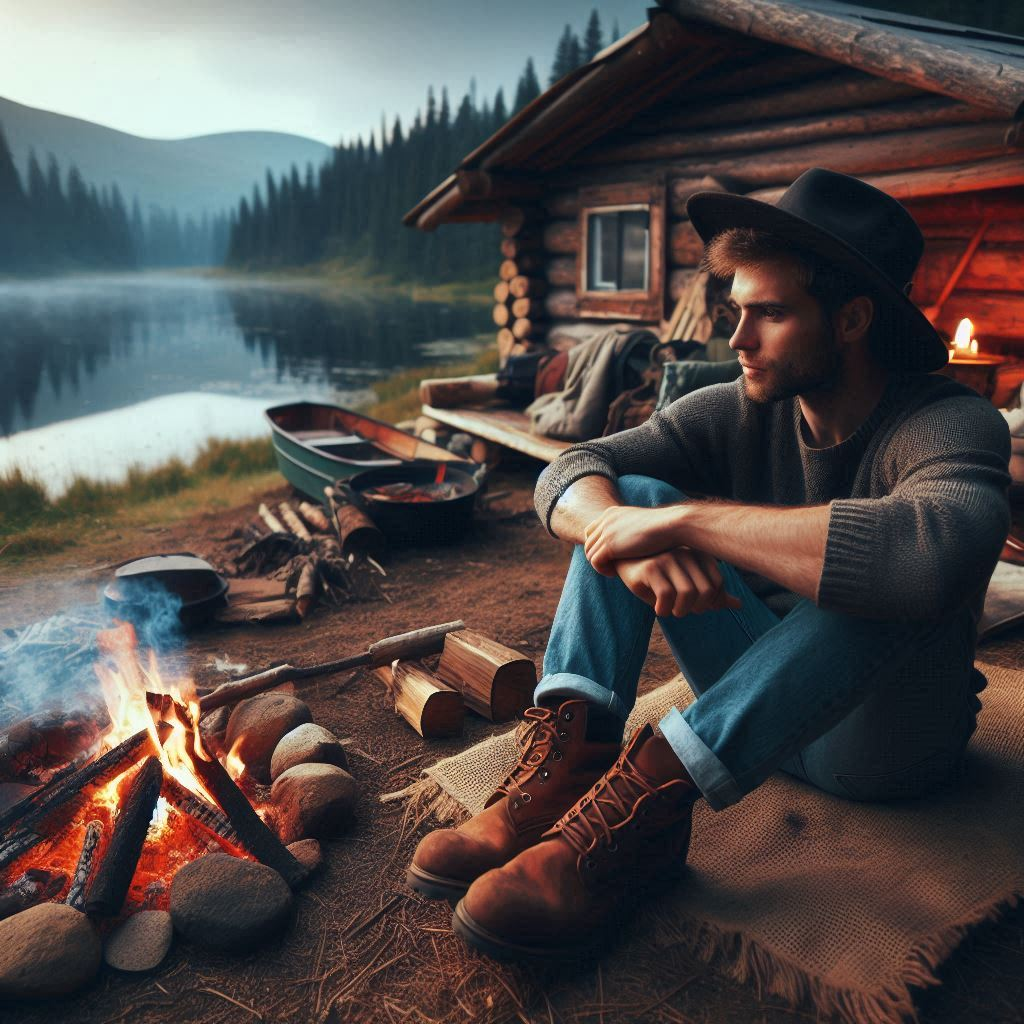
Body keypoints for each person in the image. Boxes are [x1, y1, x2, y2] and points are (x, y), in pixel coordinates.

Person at [407, 168, 1012, 960]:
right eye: (735, 309)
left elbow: (933, 556)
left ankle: (644, 801)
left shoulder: (950, 422)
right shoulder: (737, 404)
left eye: (769, 314)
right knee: (631, 488)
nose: (737, 339)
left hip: (884, 746)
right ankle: (569, 766)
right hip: (754, 699)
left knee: (891, 577)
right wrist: (623, 520)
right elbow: (572, 470)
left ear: (853, 319)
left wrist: (686, 521)